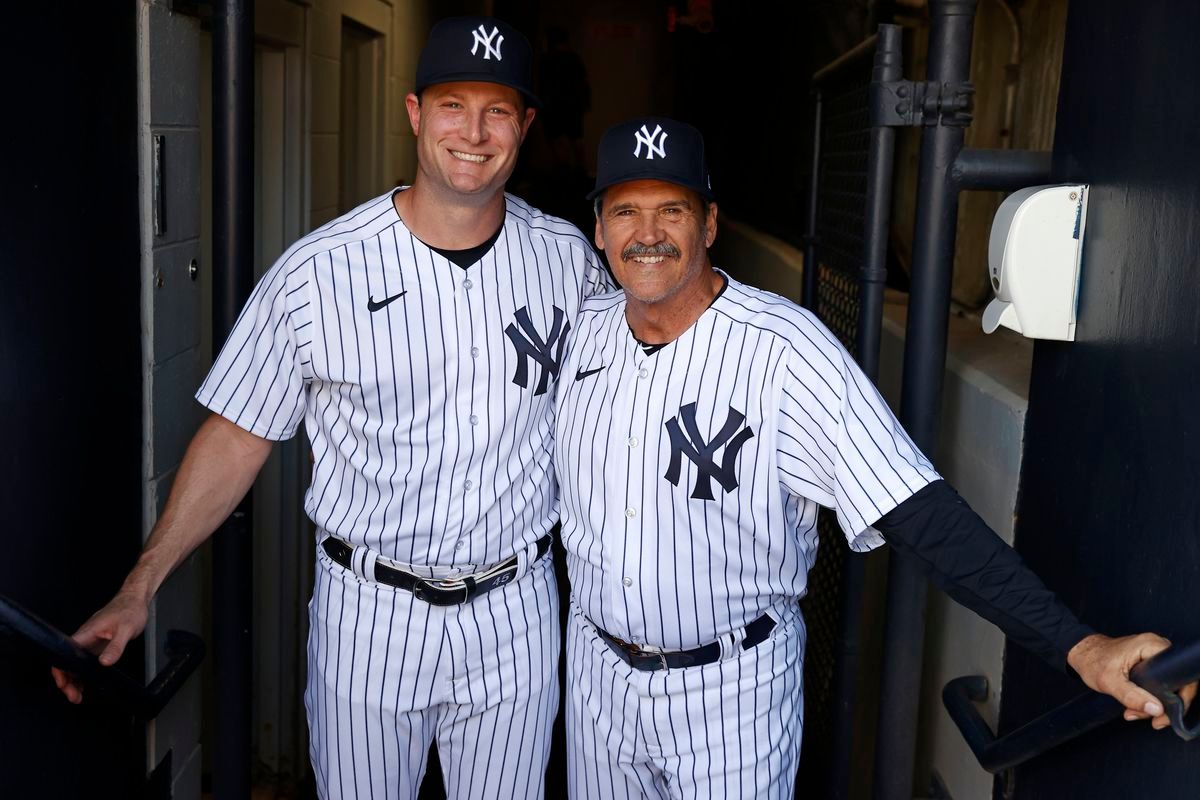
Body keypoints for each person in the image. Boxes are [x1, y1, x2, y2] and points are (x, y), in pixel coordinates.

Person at [553, 116, 1196, 799]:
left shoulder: (785, 352)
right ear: (598, 229)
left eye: (670, 210)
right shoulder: (586, 332)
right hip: (597, 676)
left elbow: (920, 514)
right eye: (625, 211)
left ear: (708, 224)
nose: (647, 234)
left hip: (726, 693)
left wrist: (1079, 647)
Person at [52, 16, 611, 800]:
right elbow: (237, 435)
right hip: (371, 613)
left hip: (514, 610)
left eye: (498, 111)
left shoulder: (570, 262)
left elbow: (629, 399)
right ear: (416, 113)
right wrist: (140, 585)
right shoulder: (319, 271)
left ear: (524, 127)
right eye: (454, 105)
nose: (475, 133)